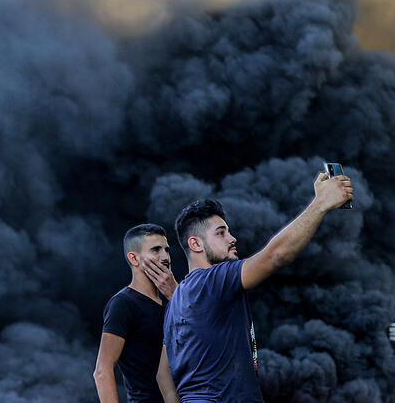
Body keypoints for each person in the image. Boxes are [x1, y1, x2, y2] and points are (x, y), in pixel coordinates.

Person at [164, 171, 353, 402]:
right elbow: (276, 256)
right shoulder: (212, 281)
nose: (232, 238)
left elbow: (162, 373)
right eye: (221, 233)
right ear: (195, 244)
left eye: (229, 231)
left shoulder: (175, 302)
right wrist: (320, 204)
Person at [94, 224, 181, 403]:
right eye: (156, 250)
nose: (164, 257)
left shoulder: (173, 300)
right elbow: (103, 370)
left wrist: (177, 295)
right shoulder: (123, 304)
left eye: (166, 249)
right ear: (134, 258)